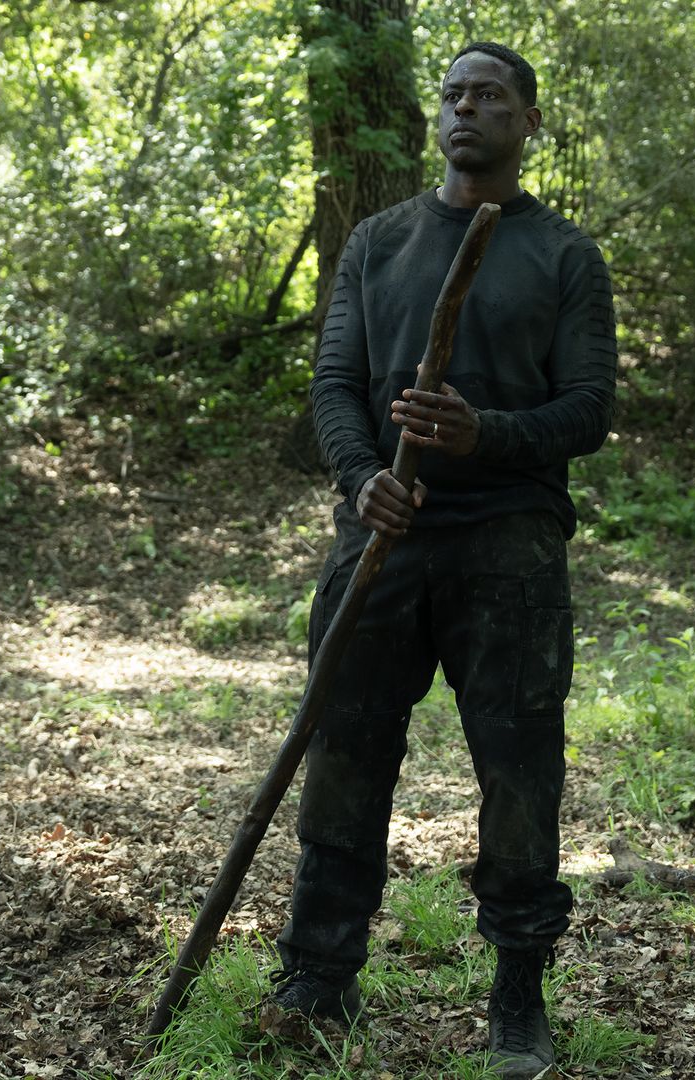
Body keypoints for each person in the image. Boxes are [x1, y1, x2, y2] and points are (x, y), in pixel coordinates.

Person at [262, 40, 617, 1079]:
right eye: (455, 95)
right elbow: (334, 383)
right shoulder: (379, 241)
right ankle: (318, 981)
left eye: (492, 97)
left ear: (529, 121)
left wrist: (483, 436)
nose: (468, 110)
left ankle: (517, 997)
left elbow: (589, 410)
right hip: (382, 536)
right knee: (345, 755)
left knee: (517, 771)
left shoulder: (562, 255)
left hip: (508, 543)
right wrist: (362, 475)